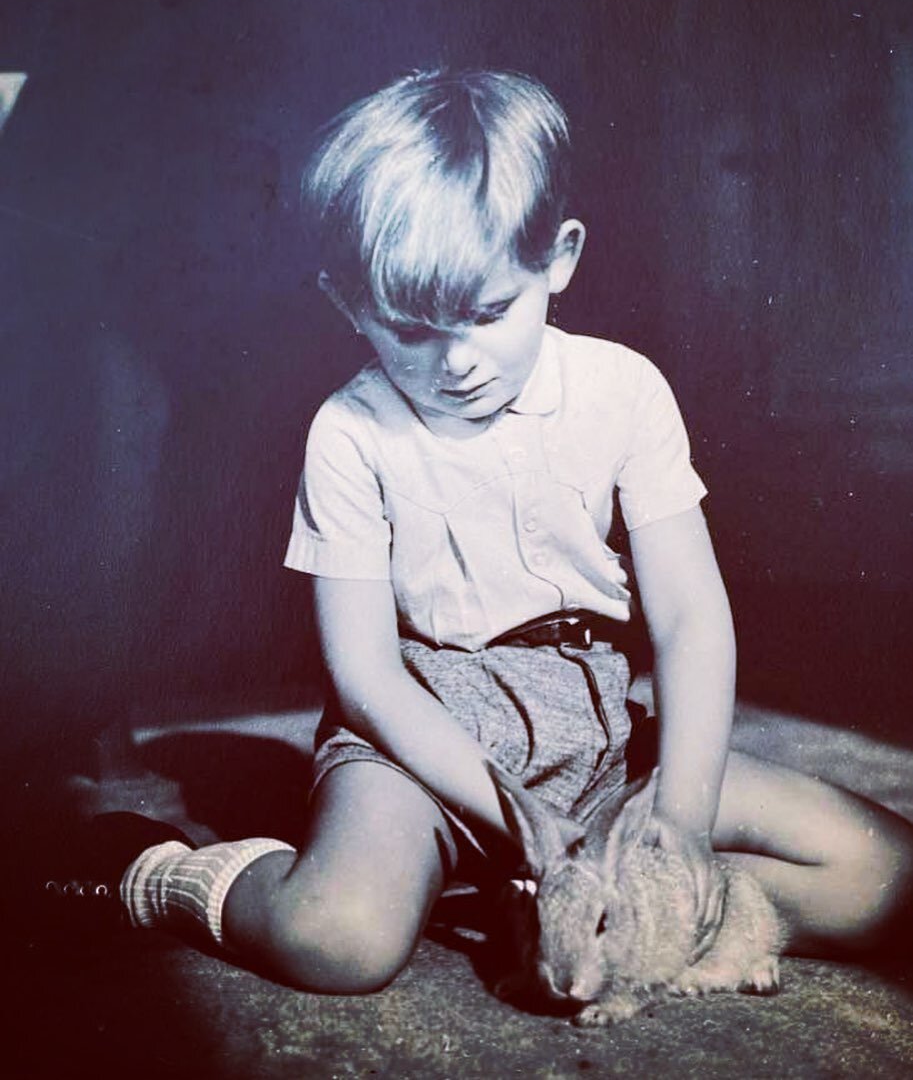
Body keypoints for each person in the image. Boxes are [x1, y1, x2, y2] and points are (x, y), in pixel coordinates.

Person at [50, 68, 913, 994]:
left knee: (885, 875)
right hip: (419, 739)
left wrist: (680, 825)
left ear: (558, 258)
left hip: (592, 726)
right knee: (337, 937)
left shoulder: (623, 391)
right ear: (349, 303)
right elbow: (367, 675)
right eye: (410, 329)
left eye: (488, 312)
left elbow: (691, 619)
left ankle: (584, 915)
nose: (456, 362)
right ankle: (157, 870)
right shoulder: (348, 433)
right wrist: (524, 824)